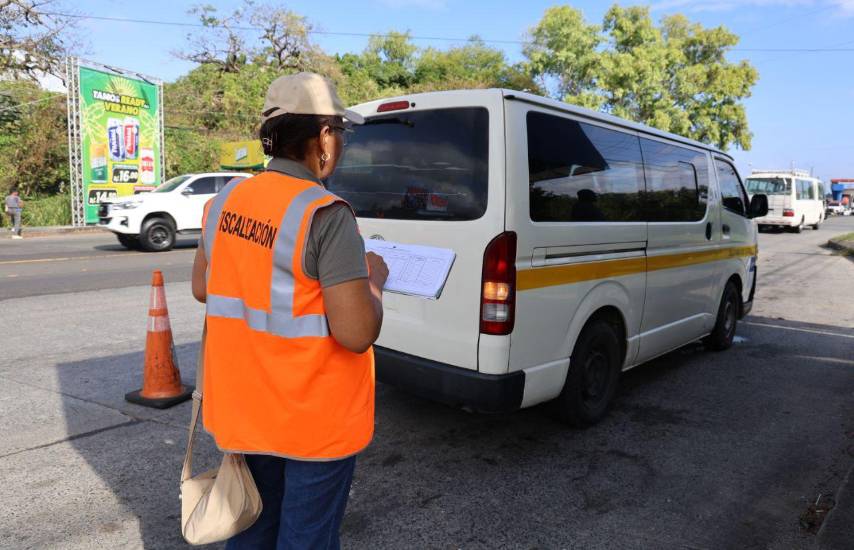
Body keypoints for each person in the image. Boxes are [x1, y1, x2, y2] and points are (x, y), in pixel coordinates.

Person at [190, 72, 389, 550]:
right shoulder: (326, 213)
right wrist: (375, 280)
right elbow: (357, 332)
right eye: (340, 132)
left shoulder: (224, 203)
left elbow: (203, 287)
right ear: (323, 136)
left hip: (245, 409)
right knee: (306, 539)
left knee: (252, 530)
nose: (340, 142)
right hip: (313, 422)